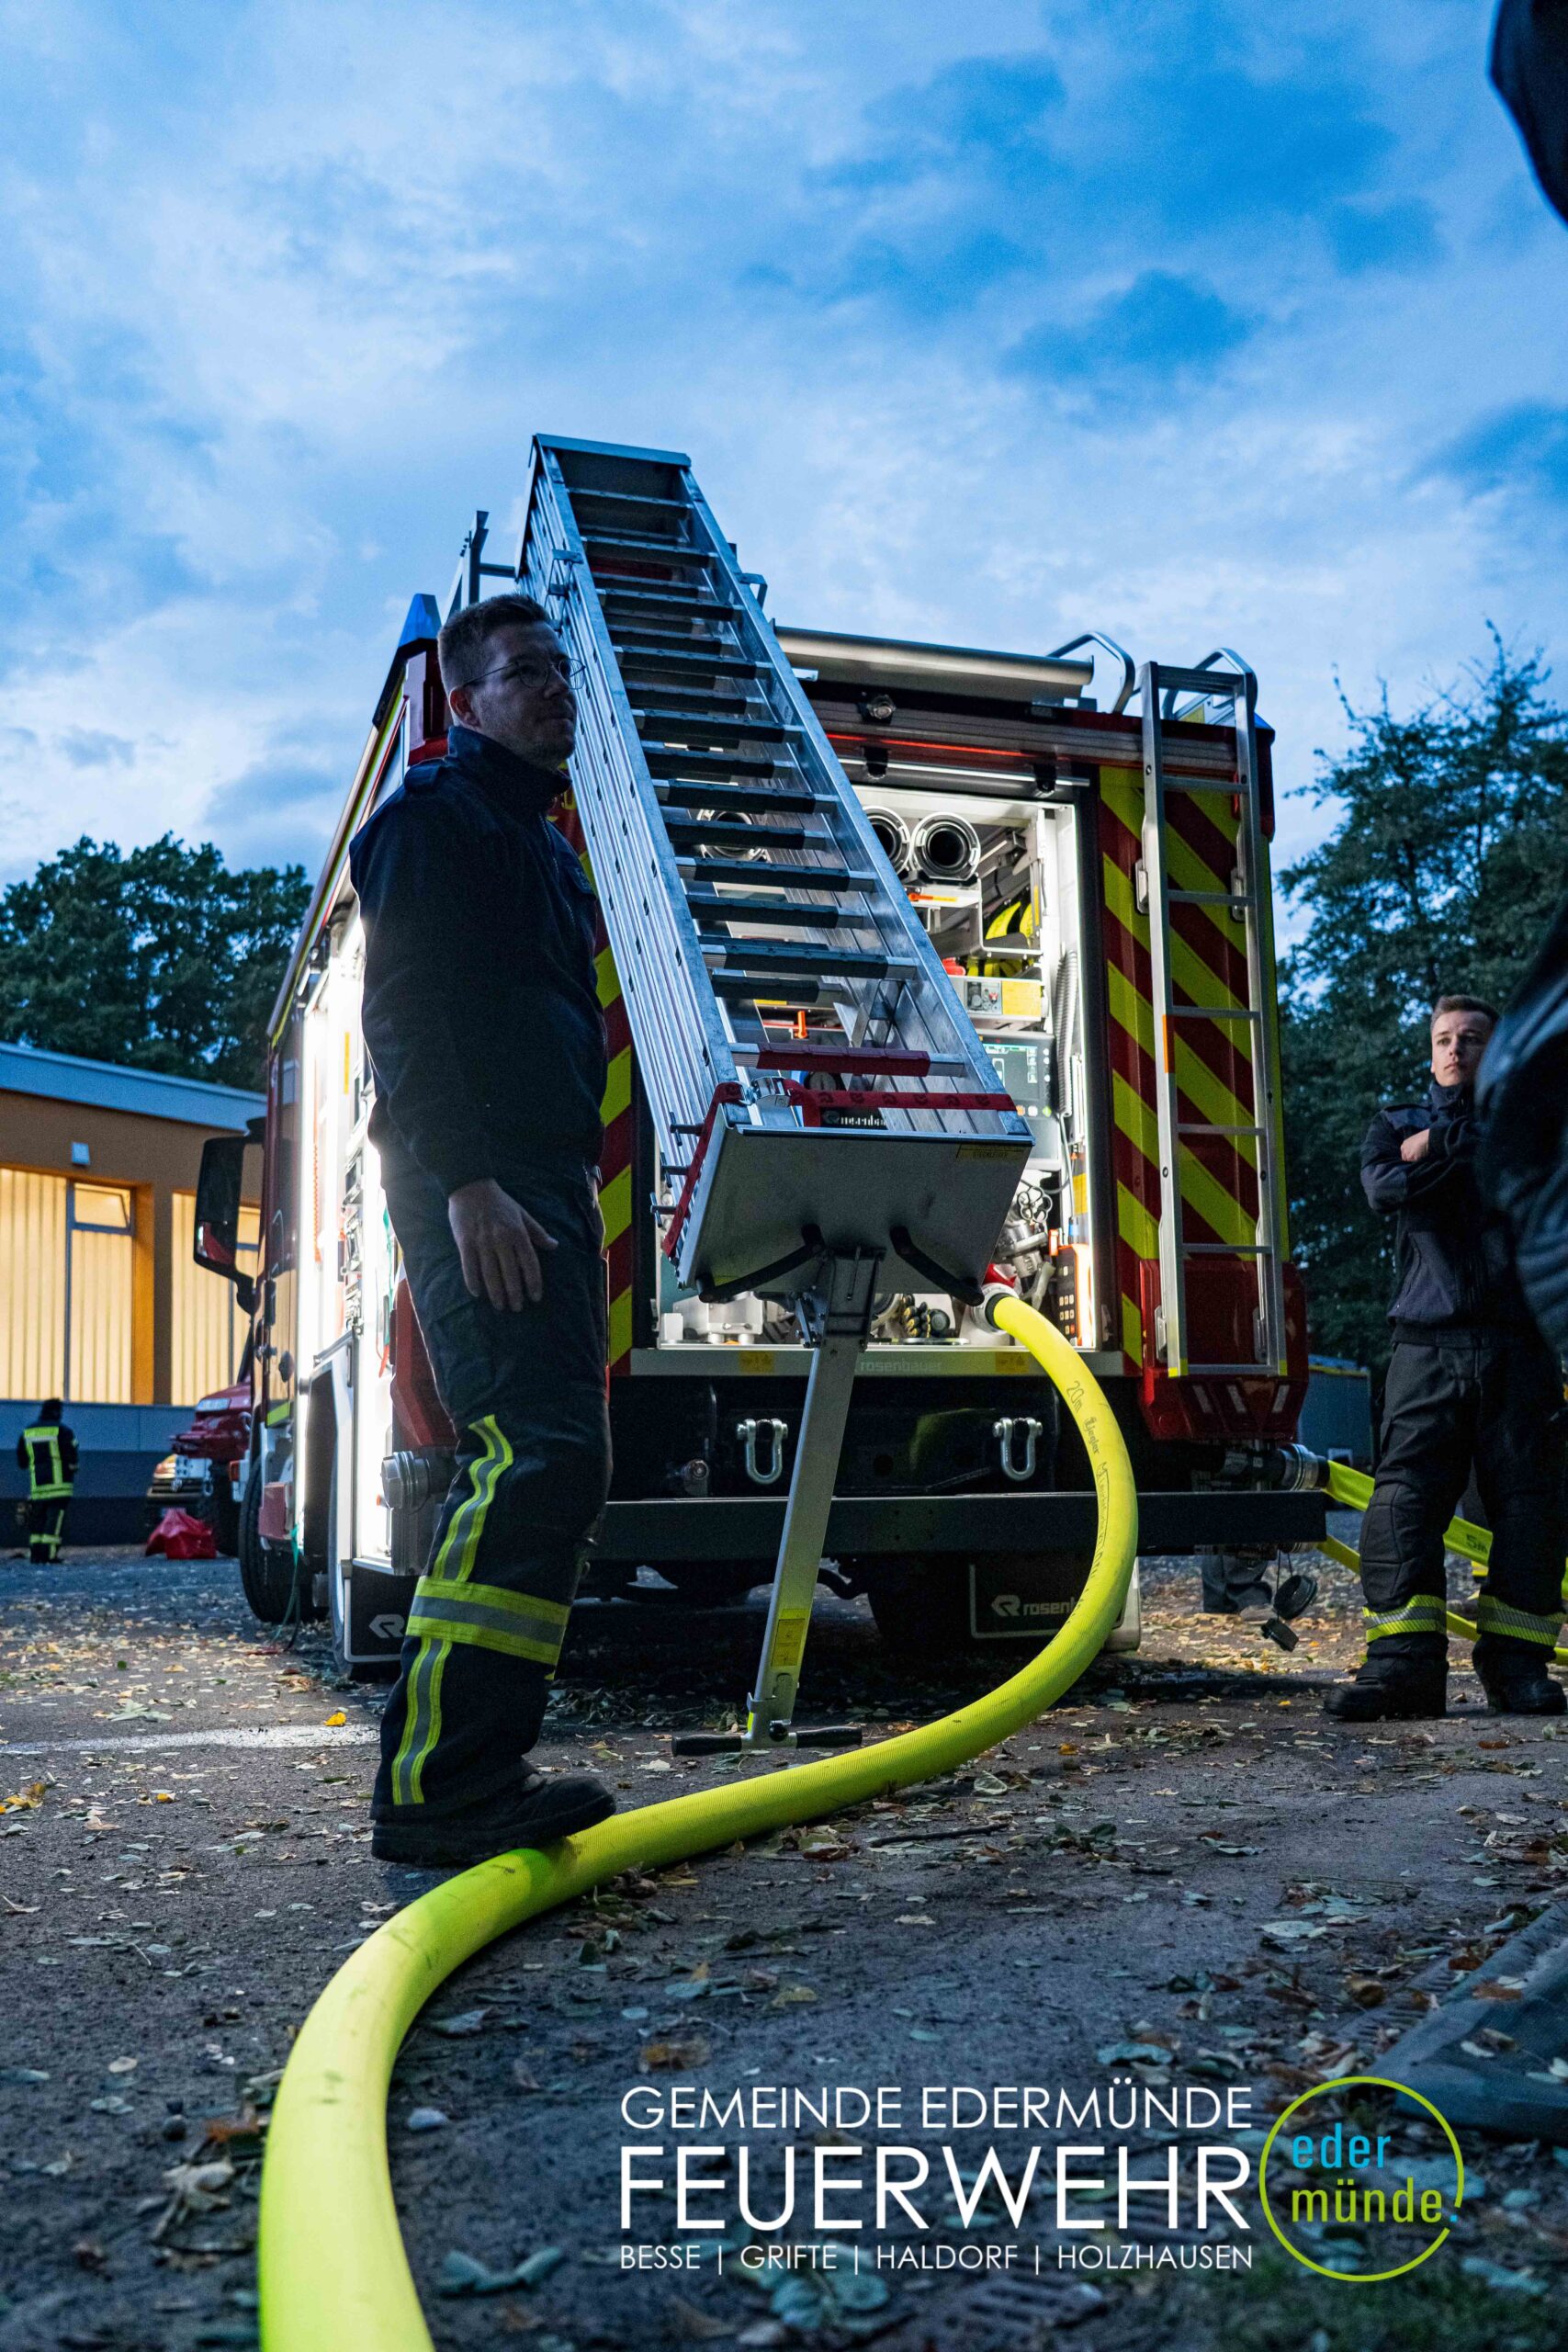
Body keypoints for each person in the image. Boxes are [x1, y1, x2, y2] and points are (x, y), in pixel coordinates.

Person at [349, 591, 616, 1867]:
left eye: (560, 669)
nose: (555, 686)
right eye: (525, 672)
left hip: (542, 1181)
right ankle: (438, 1784)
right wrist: (466, 1185)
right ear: (464, 701)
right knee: (525, 1448)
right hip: (480, 1181)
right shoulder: (432, 824)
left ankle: (475, 1771)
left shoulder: (541, 844)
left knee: (560, 1458)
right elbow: (400, 1018)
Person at [1325, 998, 1566, 1722]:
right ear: (1430, 1053)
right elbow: (1383, 1188)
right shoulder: (1392, 1123)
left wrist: (1437, 1147)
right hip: (1425, 1348)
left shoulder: (1532, 1123)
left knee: (1531, 1510)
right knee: (1402, 1504)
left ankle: (1517, 1669)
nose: (1454, 1049)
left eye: (1470, 1039)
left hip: (1519, 1347)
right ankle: (1402, 1671)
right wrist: (1463, 1154)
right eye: (1442, 1039)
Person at [16, 1400, 77, 1565]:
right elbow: (72, 1456)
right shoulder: (63, 1431)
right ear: (57, 1412)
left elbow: (22, 1462)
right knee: (54, 1521)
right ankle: (49, 1555)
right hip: (59, 1486)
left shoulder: (28, 1432)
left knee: (37, 1522)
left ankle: (35, 1554)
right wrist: (72, 1468)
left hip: (38, 1487)